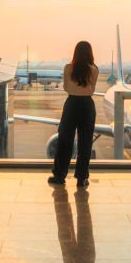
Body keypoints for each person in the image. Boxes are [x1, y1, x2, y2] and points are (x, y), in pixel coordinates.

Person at [49, 41, 99, 188]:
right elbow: (92, 88)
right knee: (85, 143)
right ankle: (81, 178)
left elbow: (65, 87)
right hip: (87, 105)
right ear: (90, 53)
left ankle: (59, 175)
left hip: (71, 104)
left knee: (65, 140)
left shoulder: (68, 68)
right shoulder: (94, 70)